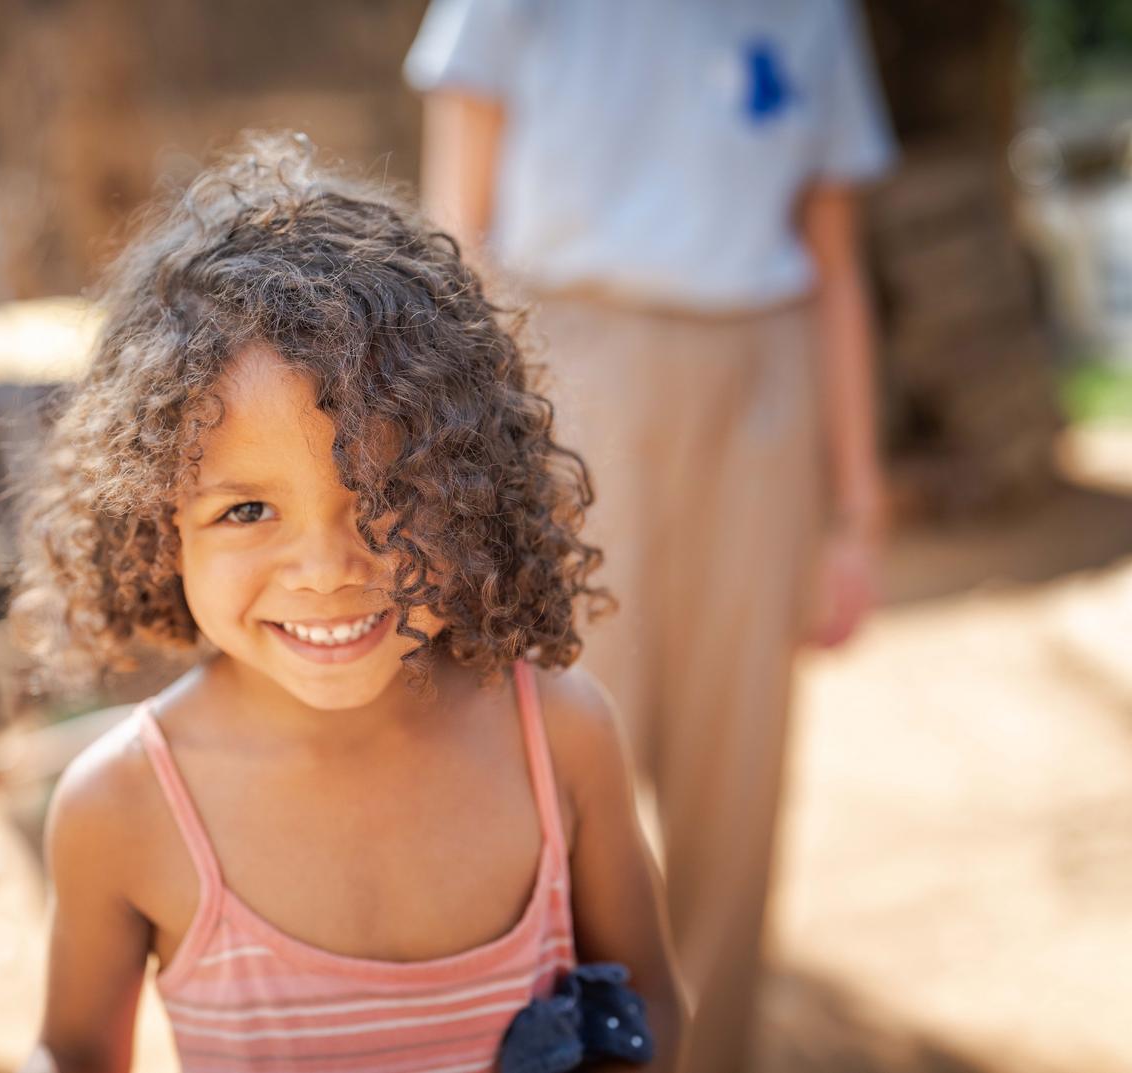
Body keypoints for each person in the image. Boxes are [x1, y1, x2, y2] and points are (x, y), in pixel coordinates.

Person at [16, 133, 684, 1073]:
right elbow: (72, 1050)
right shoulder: (121, 805)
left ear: (473, 490)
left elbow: (651, 1004)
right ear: (157, 526)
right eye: (247, 510)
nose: (327, 568)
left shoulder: (559, 737)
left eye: (387, 495)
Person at [407, 5, 894, 1071]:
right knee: (551, 740)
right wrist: (460, 459)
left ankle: (715, 1049)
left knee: (739, 756)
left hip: (761, 373)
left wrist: (854, 510)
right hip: (562, 364)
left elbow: (835, 261)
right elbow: (455, 228)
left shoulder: (813, 13)